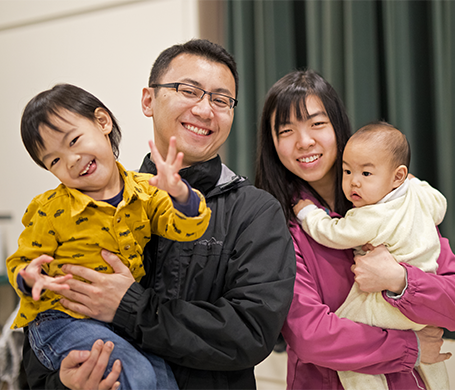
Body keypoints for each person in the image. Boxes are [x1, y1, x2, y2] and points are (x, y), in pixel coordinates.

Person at [22, 39, 296, 390]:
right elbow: (44, 333)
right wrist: (66, 383)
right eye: (188, 90)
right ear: (148, 100)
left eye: (221, 99)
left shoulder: (255, 212)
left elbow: (250, 333)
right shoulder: (80, 207)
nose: (204, 110)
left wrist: (130, 307)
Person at [255, 69, 455, 390]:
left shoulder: (400, 201)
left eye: (317, 124)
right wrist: (411, 348)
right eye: (286, 130)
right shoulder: (279, 224)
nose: (304, 141)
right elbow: (311, 337)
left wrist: (400, 281)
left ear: (339, 127)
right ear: (273, 143)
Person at [9, 83, 213, 389]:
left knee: (164, 380)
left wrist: (181, 194)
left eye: (74, 140)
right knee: (138, 377)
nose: (71, 160)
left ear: (103, 122)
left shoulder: (145, 191)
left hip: (119, 319)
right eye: (54, 161)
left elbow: (184, 228)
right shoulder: (51, 210)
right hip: (60, 320)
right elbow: (22, 261)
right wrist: (29, 278)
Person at [293, 121, 449, 389]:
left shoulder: (371, 215)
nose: (354, 181)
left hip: (390, 303)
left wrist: (307, 213)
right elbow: (440, 206)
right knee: (430, 357)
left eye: (366, 173)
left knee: (348, 333)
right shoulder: (421, 196)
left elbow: (334, 232)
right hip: (422, 300)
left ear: (398, 176)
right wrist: (417, 185)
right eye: (347, 171)